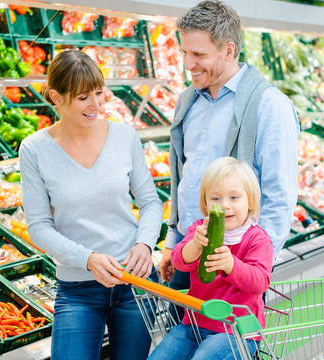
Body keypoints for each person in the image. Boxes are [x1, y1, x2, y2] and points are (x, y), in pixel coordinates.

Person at [19, 50, 163, 360]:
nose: (97, 105)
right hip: (77, 289)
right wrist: (88, 259)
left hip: (134, 282)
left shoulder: (124, 137)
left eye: (99, 93)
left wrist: (145, 245)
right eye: (84, 97)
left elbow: (150, 202)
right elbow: (39, 227)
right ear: (57, 98)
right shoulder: (34, 149)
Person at [159, 0, 299, 304]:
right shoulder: (187, 102)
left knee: (225, 349)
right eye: (184, 52)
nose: (188, 63)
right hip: (189, 253)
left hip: (234, 264)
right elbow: (180, 178)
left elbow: (280, 195)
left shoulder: (269, 105)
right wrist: (174, 241)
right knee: (183, 343)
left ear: (229, 50)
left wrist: (254, 269)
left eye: (199, 54)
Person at [149, 157, 273, 360]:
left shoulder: (257, 239)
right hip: (194, 323)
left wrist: (231, 265)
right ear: (205, 203)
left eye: (234, 197)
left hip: (238, 331)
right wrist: (195, 245)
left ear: (250, 200)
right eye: (216, 198)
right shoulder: (200, 230)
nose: (224, 205)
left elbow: (260, 282)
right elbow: (180, 261)